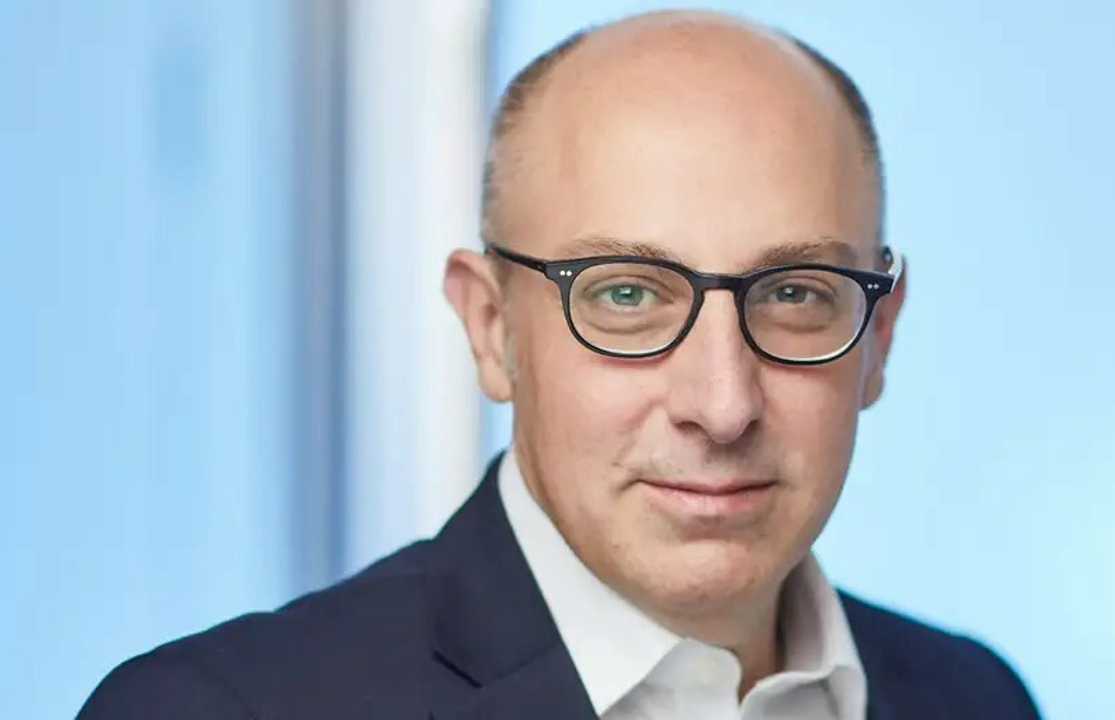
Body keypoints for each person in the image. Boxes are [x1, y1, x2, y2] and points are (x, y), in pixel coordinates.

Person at [78, 9, 1040, 720]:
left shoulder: (975, 699)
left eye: (794, 293)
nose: (722, 404)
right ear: (491, 327)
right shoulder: (220, 710)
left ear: (879, 336)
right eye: (625, 295)